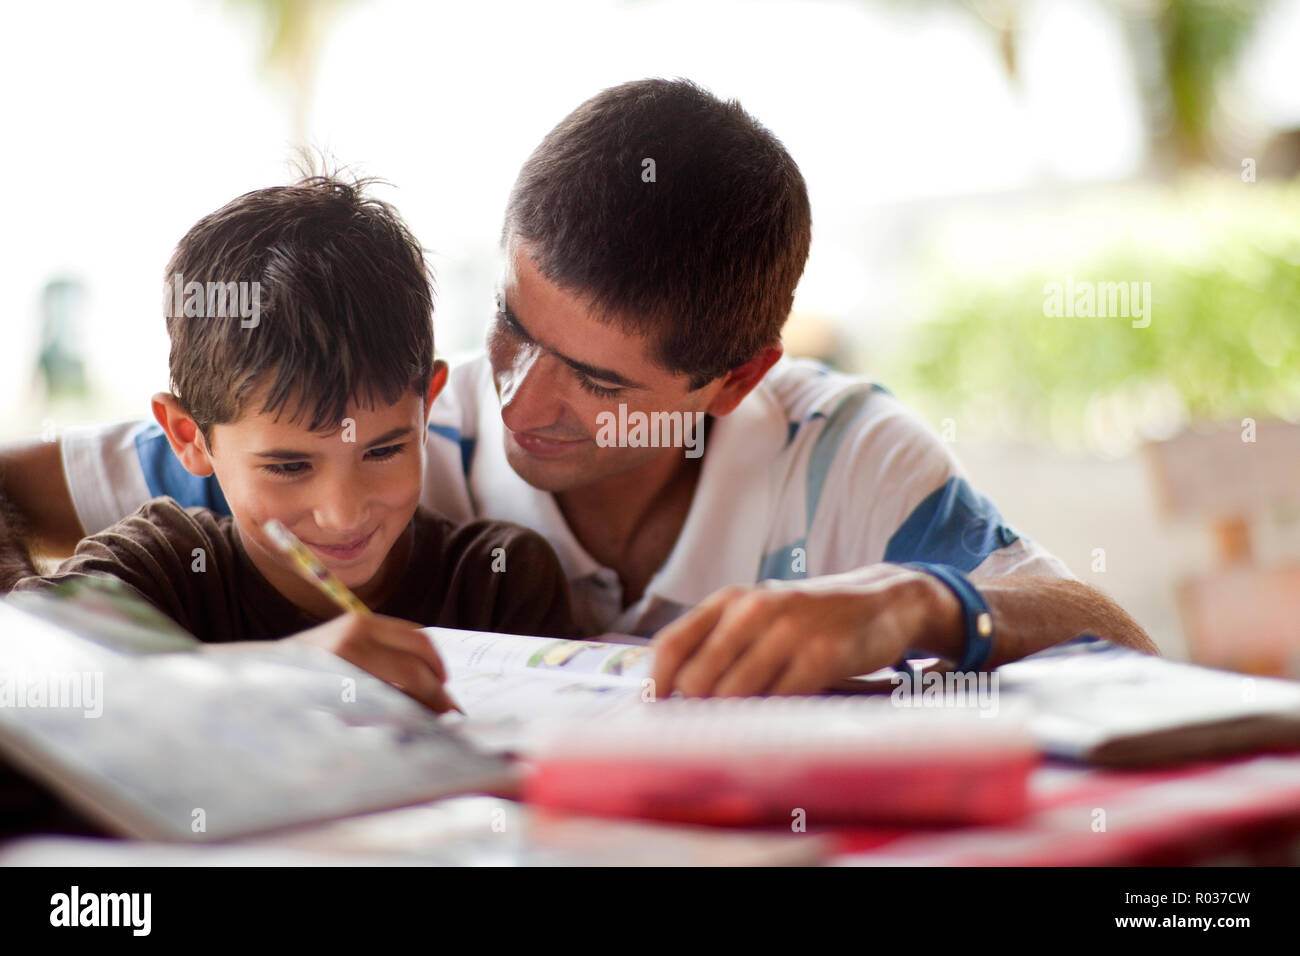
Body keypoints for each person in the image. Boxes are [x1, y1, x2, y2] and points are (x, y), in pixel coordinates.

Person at [0, 78, 1156, 704]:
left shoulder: (840, 455)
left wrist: (916, 604)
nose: (520, 403)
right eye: (512, 325)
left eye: (599, 379)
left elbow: (1117, 638)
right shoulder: (388, 424)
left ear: (735, 380)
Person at [0, 175, 575, 714]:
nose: (343, 512)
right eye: (289, 465)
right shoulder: (157, 571)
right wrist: (285, 670)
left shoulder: (500, 585)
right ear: (188, 437)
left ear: (428, 406)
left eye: (382, 451)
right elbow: (29, 685)